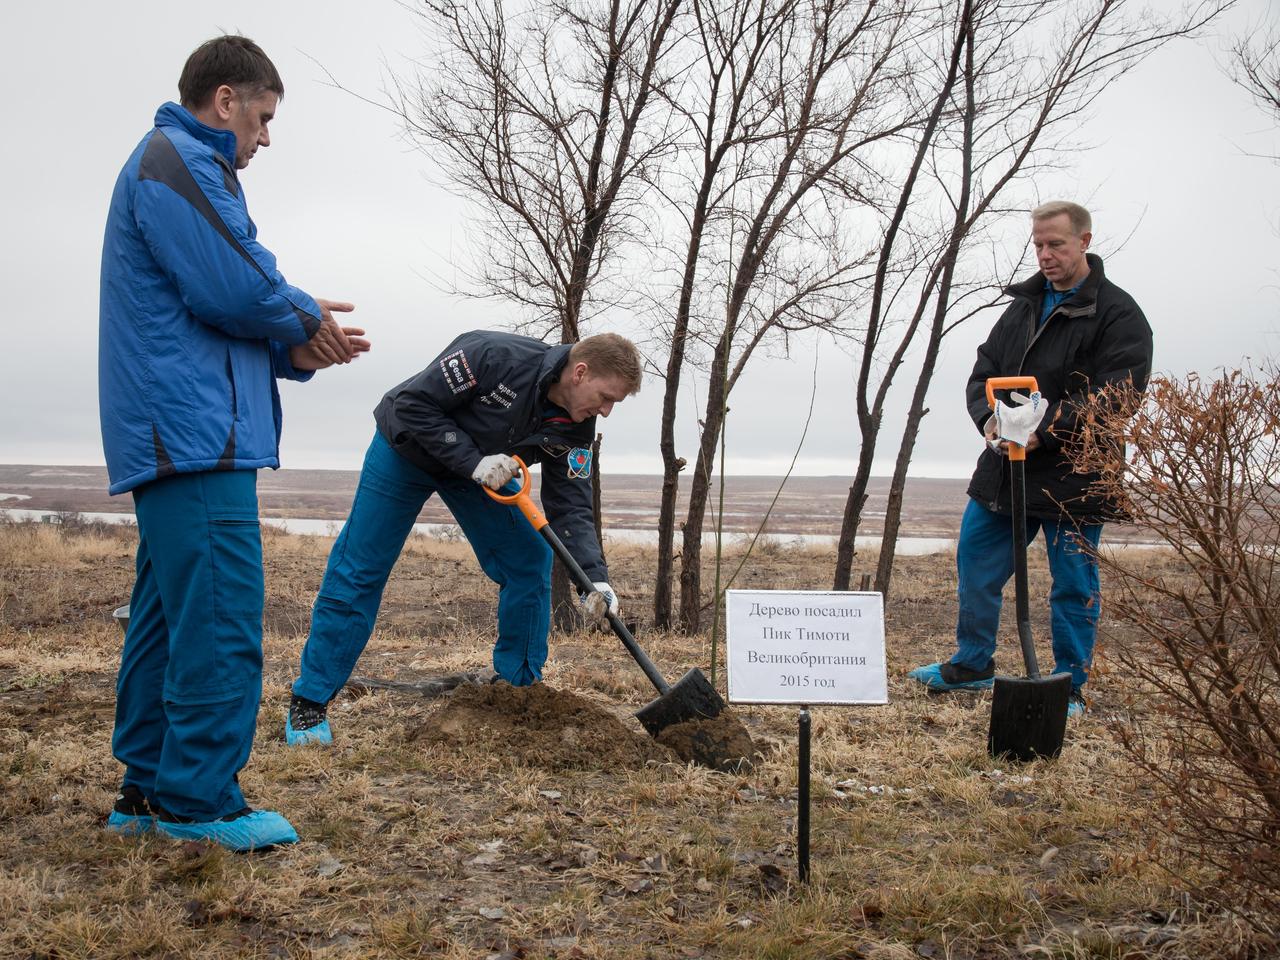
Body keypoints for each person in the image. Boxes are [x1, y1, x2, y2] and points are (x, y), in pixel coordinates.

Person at [99, 35, 370, 849]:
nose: (265, 135)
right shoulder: (178, 159)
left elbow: (216, 301)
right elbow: (234, 279)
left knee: (167, 618)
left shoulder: (173, 163)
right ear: (226, 101)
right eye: (262, 116)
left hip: (179, 433)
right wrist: (302, 321)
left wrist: (292, 341)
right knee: (219, 620)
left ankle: (145, 793)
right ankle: (201, 801)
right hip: (194, 435)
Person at [283, 330, 642, 746]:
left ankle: (517, 690)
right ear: (580, 372)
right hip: (407, 453)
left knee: (528, 561)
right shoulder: (493, 356)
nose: (607, 410)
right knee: (361, 566)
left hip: (486, 473)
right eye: (607, 397)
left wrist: (593, 577)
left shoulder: (577, 425)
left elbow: (572, 504)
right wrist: (472, 461)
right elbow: (412, 404)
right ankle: (310, 701)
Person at [908, 201, 1152, 718]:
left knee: (1072, 587)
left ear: (1084, 241)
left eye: (1056, 245)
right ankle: (972, 667)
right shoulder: (1021, 306)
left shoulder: (1118, 313)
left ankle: (1066, 688)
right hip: (1006, 469)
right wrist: (989, 421)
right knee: (976, 568)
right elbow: (984, 373)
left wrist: (1048, 427)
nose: (1045, 255)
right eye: (1038, 244)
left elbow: (1119, 396)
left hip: (1077, 475)